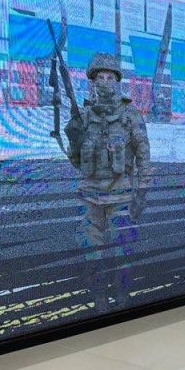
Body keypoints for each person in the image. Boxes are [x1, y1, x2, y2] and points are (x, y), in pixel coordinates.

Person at [64, 51, 150, 258]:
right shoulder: (83, 116)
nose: (105, 82)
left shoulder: (130, 114)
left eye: (110, 77)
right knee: (90, 253)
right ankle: (96, 288)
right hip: (90, 195)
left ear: (117, 81)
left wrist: (142, 191)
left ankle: (121, 289)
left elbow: (143, 154)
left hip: (121, 195)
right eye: (100, 78)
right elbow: (75, 158)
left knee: (122, 253)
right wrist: (74, 137)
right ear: (93, 82)